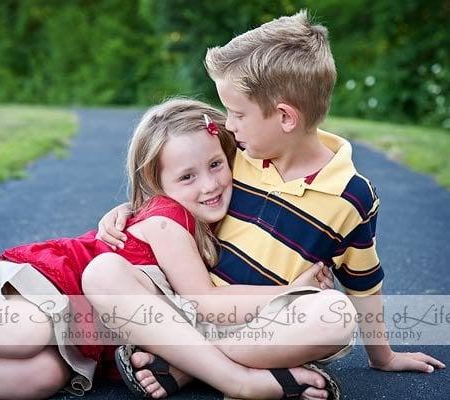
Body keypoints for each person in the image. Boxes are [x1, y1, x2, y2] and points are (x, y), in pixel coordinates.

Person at [95, 9, 445, 399]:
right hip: (185, 303)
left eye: (238, 113)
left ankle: (187, 362)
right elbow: (179, 189)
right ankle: (232, 375)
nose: (228, 124)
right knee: (104, 271)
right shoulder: (234, 157)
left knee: (336, 316)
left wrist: (383, 356)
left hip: (267, 324)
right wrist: (128, 211)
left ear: (285, 117)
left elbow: (363, 283)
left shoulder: (352, 196)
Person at [0, 98, 341, 400]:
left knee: (41, 378)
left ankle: (210, 369)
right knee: (27, 332)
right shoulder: (169, 218)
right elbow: (205, 303)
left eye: (215, 165)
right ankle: (239, 380)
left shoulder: (206, 220)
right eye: (187, 176)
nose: (208, 185)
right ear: (158, 184)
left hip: (82, 335)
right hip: (56, 289)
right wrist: (291, 293)